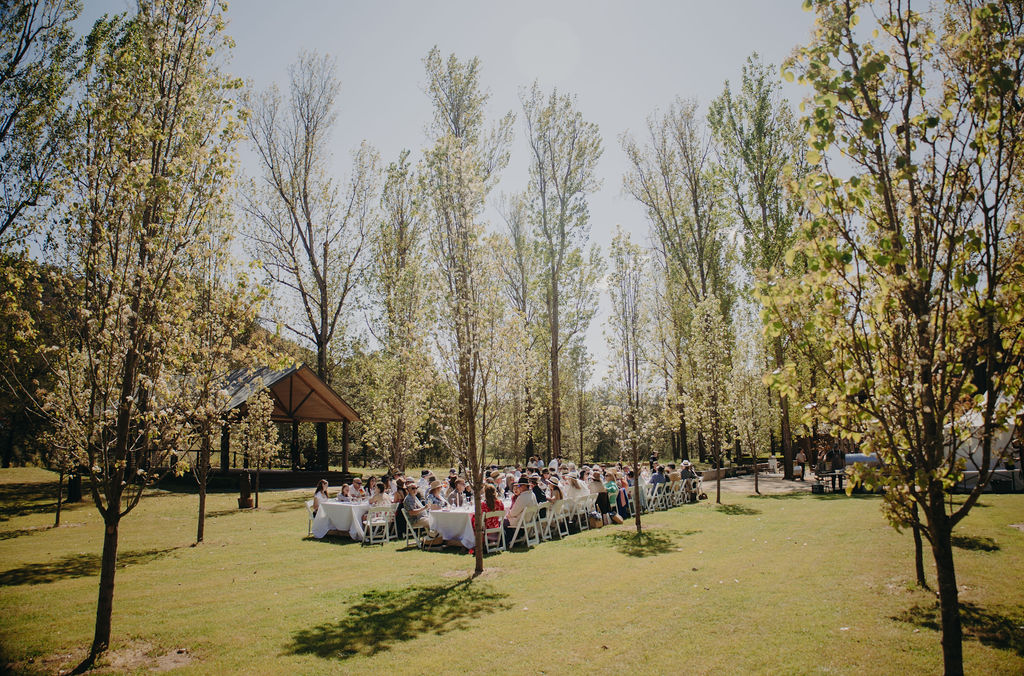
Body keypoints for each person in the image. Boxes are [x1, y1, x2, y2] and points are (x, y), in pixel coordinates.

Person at [503, 477, 538, 546]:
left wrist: (508, 515)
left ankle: (505, 541)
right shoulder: (532, 494)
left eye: (519, 486)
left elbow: (514, 512)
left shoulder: (523, 496)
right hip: (528, 519)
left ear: (525, 486)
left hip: (521, 521)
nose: (518, 487)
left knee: (502, 521)